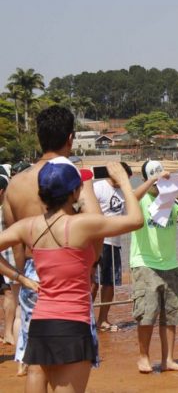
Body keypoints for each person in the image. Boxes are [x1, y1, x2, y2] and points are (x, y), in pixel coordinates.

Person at [0, 160, 143, 392]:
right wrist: (125, 182)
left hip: (41, 322)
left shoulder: (28, 226)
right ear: (74, 192)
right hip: (72, 322)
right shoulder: (82, 224)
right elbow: (136, 220)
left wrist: (20, 278)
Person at [2, 105, 103, 386]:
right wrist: (93, 263)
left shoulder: (15, 184)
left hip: (33, 274)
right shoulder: (73, 178)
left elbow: (15, 243)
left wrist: (19, 278)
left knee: (36, 362)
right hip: (70, 272)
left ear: (39, 138)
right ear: (70, 138)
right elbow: (96, 229)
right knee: (71, 359)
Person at [130, 160, 178, 374]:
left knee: (171, 314)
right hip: (145, 263)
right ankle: (143, 357)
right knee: (147, 313)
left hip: (170, 264)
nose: (158, 183)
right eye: (152, 178)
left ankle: (168, 359)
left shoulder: (169, 200)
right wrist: (151, 182)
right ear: (145, 179)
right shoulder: (140, 200)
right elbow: (130, 199)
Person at [91, 162, 133, 332]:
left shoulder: (121, 193)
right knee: (92, 283)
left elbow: (125, 215)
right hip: (98, 240)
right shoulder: (98, 187)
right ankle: (85, 317)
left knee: (110, 283)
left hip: (114, 243)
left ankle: (103, 319)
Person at [1, 172, 20, 346]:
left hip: (6, 260)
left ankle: (7, 333)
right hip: (7, 259)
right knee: (11, 296)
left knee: (10, 295)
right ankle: (8, 333)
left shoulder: (5, 208)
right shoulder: (6, 209)